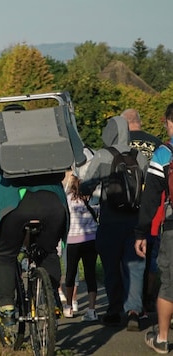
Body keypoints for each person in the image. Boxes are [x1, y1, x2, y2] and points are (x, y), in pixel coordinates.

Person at [0, 103, 67, 327]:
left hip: (14, 207)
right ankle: (52, 301)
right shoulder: (44, 135)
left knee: (4, 255)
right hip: (52, 205)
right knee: (48, 252)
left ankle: (7, 307)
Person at [80, 116, 148, 330]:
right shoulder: (140, 157)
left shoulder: (102, 155)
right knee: (135, 266)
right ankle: (134, 311)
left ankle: (113, 310)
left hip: (110, 219)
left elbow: (86, 186)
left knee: (111, 267)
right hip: (136, 220)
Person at [135, 103, 173, 354]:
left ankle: (161, 338)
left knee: (169, 283)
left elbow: (150, 199)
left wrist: (141, 232)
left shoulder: (164, 153)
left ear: (169, 122)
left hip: (172, 226)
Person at [122, 108, 164, 313]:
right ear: (139, 122)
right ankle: (148, 298)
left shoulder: (119, 145)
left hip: (127, 208)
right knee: (152, 256)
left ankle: (131, 302)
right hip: (154, 207)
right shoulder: (155, 143)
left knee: (130, 255)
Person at [62, 172, 99, 321]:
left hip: (73, 240)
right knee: (91, 274)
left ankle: (69, 306)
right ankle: (92, 309)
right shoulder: (92, 199)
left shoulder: (68, 200)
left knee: (70, 273)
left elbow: (65, 218)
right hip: (91, 239)